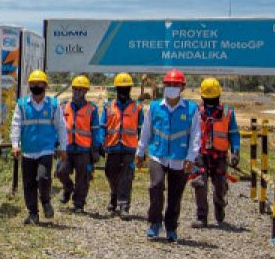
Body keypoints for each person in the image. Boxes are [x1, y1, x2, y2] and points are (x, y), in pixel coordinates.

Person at [136, 69, 201, 243]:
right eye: (169, 84)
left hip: (180, 159)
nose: (171, 87)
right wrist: (140, 152)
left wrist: (191, 157)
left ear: (183, 87)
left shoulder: (192, 109)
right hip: (158, 154)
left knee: (175, 194)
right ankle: (154, 223)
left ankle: (171, 227)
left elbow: (195, 135)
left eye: (175, 85)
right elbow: (146, 130)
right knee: (156, 186)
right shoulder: (155, 107)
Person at [10, 69, 68, 225]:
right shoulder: (22, 104)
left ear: (45, 85)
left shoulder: (53, 105)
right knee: (28, 183)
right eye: (33, 84)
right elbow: (16, 125)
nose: (36, 86)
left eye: (39, 83)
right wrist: (15, 144)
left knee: (43, 178)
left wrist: (63, 147)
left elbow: (61, 127)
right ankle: (33, 214)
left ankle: (45, 200)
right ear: (29, 86)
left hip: (45, 149)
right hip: (28, 151)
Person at [192, 77, 240, 227]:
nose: (210, 101)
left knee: (219, 185)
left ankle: (219, 207)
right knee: (200, 183)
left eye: (213, 98)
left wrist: (235, 151)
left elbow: (233, 133)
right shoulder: (196, 112)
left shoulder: (227, 112)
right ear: (202, 97)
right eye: (208, 98)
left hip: (219, 155)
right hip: (201, 154)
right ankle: (201, 217)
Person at [57, 74, 103, 212]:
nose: (77, 92)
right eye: (75, 89)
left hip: (84, 150)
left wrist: (96, 149)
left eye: (81, 89)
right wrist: (56, 145)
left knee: (83, 178)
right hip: (67, 148)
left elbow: (95, 130)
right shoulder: (63, 107)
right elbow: (58, 127)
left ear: (86, 91)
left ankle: (78, 204)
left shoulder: (92, 109)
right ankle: (68, 187)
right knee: (60, 172)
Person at [102, 72, 143, 219]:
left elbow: (141, 129)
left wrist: (142, 149)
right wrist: (101, 143)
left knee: (126, 177)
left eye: (126, 88)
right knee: (109, 173)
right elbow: (103, 126)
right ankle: (114, 195)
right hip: (112, 146)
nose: (123, 91)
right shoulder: (108, 107)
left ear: (130, 89)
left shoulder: (137, 108)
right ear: (116, 89)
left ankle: (123, 205)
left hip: (129, 148)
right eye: (121, 88)